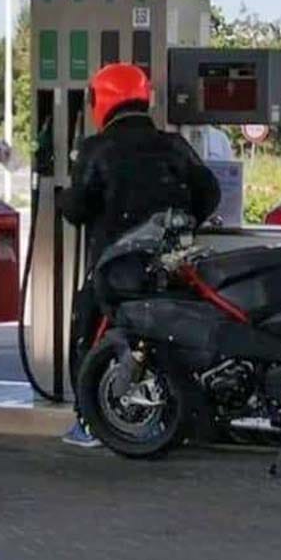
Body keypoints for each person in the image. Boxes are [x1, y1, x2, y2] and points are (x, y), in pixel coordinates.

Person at [58, 62, 221, 447]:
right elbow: (210, 193)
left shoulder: (98, 149)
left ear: (102, 100)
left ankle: (89, 422)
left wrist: (64, 196)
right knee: (171, 335)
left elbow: (77, 209)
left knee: (90, 331)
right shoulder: (174, 145)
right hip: (172, 265)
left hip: (117, 269)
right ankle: (176, 418)